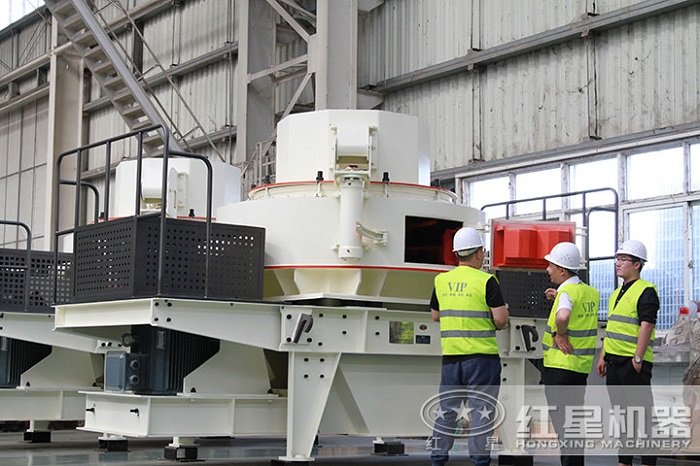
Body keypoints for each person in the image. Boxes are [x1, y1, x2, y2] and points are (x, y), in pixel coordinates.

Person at [429, 227, 509, 466]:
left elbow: (435, 315)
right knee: (481, 412)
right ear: (479, 253)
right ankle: (480, 461)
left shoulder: (441, 280)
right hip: (482, 359)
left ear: (456, 254)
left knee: (446, 411)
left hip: (451, 358)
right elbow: (501, 319)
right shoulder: (487, 281)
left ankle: (437, 459)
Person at [596, 240, 659, 466]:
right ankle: (624, 461)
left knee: (643, 416)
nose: (618, 263)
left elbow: (647, 326)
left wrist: (638, 359)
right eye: (618, 259)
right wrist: (602, 356)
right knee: (622, 416)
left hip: (633, 364)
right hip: (614, 362)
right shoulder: (616, 294)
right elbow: (612, 328)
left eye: (623, 259)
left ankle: (648, 461)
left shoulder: (646, 291)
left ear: (637, 264)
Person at [542, 242, 600, 466]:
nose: (548, 269)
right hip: (579, 368)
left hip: (560, 366)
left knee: (564, 425)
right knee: (574, 422)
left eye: (551, 265)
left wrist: (560, 334)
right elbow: (575, 309)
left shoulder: (567, 293)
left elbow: (564, 316)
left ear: (562, 270)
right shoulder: (590, 292)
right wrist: (558, 296)